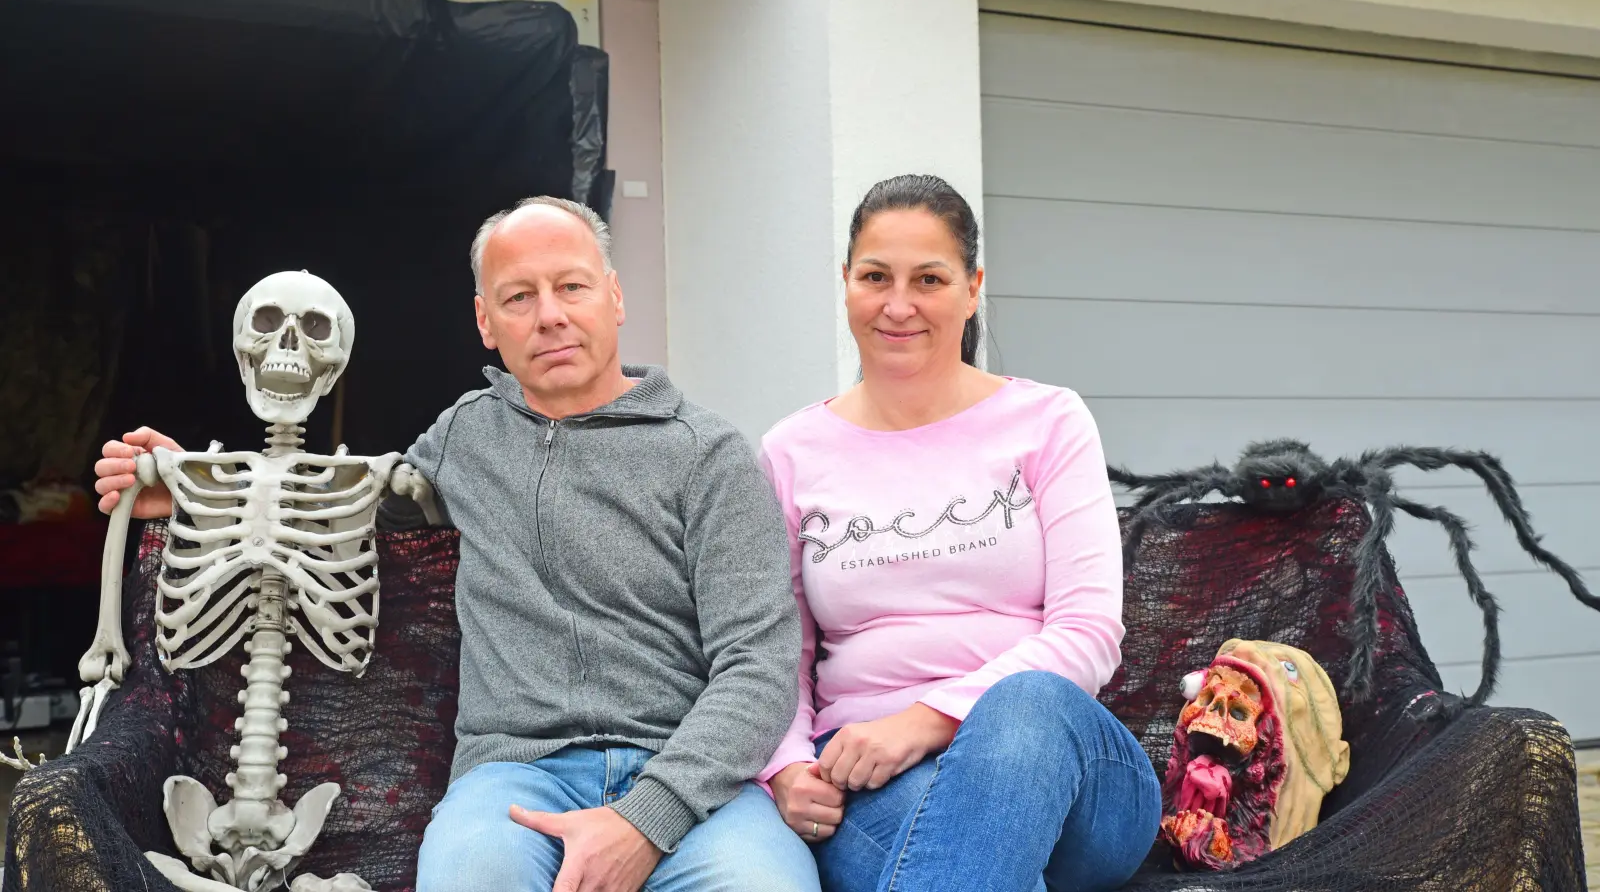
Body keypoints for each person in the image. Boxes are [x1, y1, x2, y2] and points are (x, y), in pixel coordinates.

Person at [91, 197, 822, 892]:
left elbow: (758, 666)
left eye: (572, 286)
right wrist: (185, 484)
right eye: (518, 297)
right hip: (513, 780)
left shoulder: (710, 456)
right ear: (485, 322)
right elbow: (338, 508)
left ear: (615, 297)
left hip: (693, 783)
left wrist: (647, 820)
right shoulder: (465, 436)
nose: (551, 317)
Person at [758, 175, 1161, 892]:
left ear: (973, 288)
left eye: (930, 278)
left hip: (1071, 773)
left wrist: (922, 721)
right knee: (951, 854)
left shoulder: (1048, 422)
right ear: (846, 282)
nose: (899, 304)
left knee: (1025, 701)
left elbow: (1090, 632)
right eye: (876, 276)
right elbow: (776, 651)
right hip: (868, 777)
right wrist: (788, 765)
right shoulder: (790, 452)